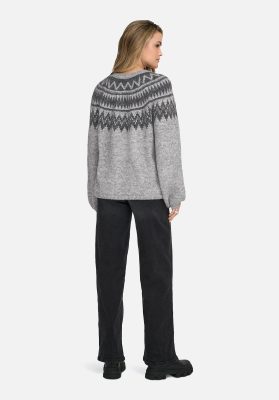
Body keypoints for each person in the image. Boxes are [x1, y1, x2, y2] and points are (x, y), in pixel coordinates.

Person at [86, 20, 193, 380]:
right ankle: (160, 360)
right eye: (156, 44)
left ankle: (112, 359)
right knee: (157, 276)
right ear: (139, 44)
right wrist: (174, 192)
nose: (161, 52)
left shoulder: (101, 90)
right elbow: (168, 146)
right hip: (149, 193)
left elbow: (93, 148)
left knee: (108, 276)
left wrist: (94, 191)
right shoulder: (158, 87)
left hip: (109, 194)